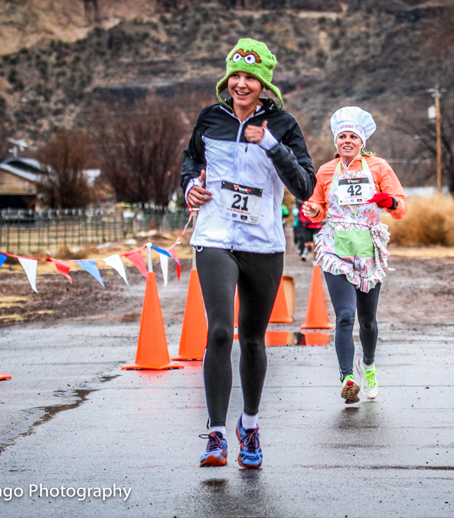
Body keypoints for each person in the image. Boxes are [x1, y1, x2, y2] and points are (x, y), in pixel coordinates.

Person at [182, 38, 315, 468]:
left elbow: (305, 186)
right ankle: (217, 435)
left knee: (254, 340)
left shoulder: (284, 125)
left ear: (264, 85)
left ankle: (250, 426)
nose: (241, 84)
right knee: (220, 331)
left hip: (263, 244)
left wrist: (271, 144)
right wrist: (190, 187)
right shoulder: (210, 118)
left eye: (250, 78)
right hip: (216, 237)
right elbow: (189, 162)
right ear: (227, 80)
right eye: (235, 76)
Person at [302, 106, 407, 404]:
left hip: (368, 250)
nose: (347, 141)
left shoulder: (378, 167)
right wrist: (312, 210)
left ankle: (368, 365)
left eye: (352, 136)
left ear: (361, 141)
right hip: (336, 247)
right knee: (345, 316)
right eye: (342, 136)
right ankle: (347, 377)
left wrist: (389, 201)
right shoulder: (325, 171)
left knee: (368, 321)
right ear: (336, 142)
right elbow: (316, 207)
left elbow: (401, 207)